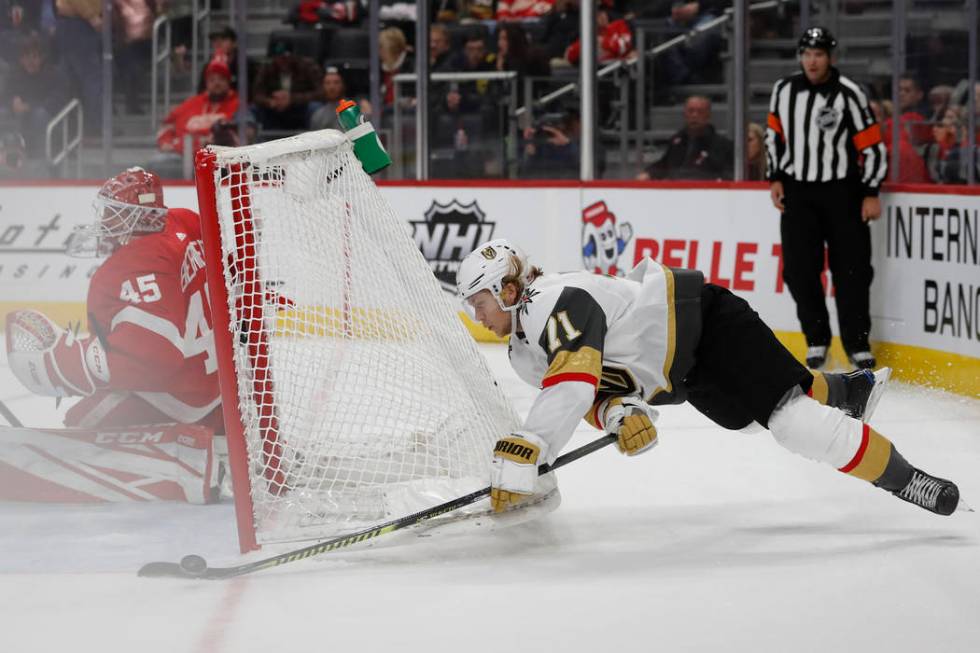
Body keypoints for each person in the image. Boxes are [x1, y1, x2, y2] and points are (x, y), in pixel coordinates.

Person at [456, 239, 960, 518]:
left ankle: (909, 481)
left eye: (479, 303)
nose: (477, 317)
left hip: (704, 320)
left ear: (506, 288)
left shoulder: (552, 299)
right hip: (687, 371)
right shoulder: (524, 353)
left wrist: (534, 441)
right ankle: (852, 389)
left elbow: (574, 381)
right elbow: (597, 391)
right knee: (756, 417)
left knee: (792, 422)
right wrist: (621, 416)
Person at [4, 167, 224, 502]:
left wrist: (67, 364)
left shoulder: (135, 262)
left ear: (135, 217)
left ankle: (183, 467)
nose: (106, 222)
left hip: (180, 398)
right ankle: (218, 438)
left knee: (82, 423)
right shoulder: (186, 222)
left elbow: (153, 358)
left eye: (113, 214)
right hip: (217, 386)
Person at [765, 27, 887, 371]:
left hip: (842, 193)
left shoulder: (850, 93)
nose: (812, 61)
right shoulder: (784, 90)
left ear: (830, 57)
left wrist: (871, 191)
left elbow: (873, 146)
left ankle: (856, 343)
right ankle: (816, 339)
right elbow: (775, 137)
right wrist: (775, 176)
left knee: (852, 271)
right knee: (799, 271)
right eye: (807, 54)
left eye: (818, 54)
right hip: (798, 193)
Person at [637, 95, 733, 180]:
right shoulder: (677, 140)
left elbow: (728, 175)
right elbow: (665, 164)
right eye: (691, 111)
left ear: (708, 115)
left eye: (700, 112)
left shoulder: (722, 145)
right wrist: (649, 173)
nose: (694, 115)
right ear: (685, 114)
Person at [155, 59, 239, 155]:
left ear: (228, 82)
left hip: (219, 158)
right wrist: (167, 142)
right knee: (159, 162)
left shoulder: (238, 105)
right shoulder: (191, 103)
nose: (217, 83)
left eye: (221, 79)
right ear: (206, 83)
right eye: (212, 80)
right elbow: (167, 126)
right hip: (182, 156)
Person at [6, 32, 68, 158]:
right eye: (26, 58)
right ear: (21, 59)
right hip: (20, 116)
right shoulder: (14, 74)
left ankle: (40, 157)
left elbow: (57, 101)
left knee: (39, 115)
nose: (30, 62)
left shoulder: (53, 75)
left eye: (34, 57)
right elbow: (6, 94)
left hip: (50, 119)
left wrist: (29, 106)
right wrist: (12, 101)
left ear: (42, 58)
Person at [252, 39, 325, 131]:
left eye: (285, 57)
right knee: (253, 109)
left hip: (300, 107)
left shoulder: (307, 65)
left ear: (293, 56)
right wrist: (270, 101)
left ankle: (315, 137)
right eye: (279, 58)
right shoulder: (267, 67)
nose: (282, 61)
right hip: (274, 108)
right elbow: (256, 94)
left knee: (315, 107)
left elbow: (321, 92)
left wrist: (292, 98)